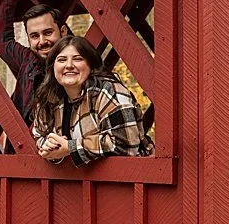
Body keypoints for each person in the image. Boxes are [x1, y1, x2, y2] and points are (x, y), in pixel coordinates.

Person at [32, 34, 148, 164]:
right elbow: (39, 135)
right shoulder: (49, 97)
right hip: (82, 182)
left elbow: (126, 144)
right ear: (53, 67)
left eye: (77, 59)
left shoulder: (109, 91)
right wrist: (50, 146)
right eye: (62, 60)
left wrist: (71, 147)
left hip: (133, 177)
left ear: (91, 65)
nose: (69, 65)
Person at [0, 0, 74, 136]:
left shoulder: (80, 63)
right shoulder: (26, 59)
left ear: (63, 31)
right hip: (26, 151)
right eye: (34, 36)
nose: (42, 42)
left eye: (47, 33)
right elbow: (1, 41)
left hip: (69, 152)